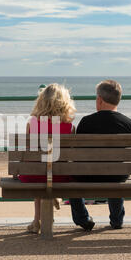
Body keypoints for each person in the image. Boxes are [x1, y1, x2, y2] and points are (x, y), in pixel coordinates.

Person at [70, 80, 131, 231]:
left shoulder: (86, 122)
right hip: (117, 176)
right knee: (117, 172)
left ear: (99, 100)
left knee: (70, 177)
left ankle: (83, 218)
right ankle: (116, 220)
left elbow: (77, 154)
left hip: (88, 176)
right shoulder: (130, 124)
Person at [19, 83, 76, 234]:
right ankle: (53, 200)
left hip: (32, 174)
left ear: (41, 101)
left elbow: (29, 152)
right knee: (50, 171)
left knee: (40, 171)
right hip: (59, 176)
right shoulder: (69, 126)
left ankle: (37, 220)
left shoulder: (32, 123)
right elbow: (70, 154)